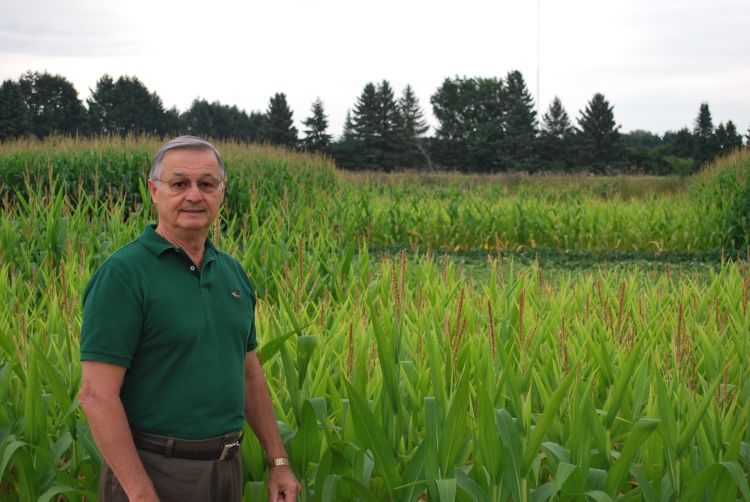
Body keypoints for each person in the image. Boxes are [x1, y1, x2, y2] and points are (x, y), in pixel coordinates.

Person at [78, 136, 300, 501]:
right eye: (180, 183)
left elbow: (248, 373)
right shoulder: (124, 275)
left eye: (207, 184)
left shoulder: (232, 273)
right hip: (155, 473)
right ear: (154, 190)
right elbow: (96, 395)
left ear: (222, 192)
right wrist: (139, 492)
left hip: (226, 471)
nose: (194, 195)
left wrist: (278, 461)